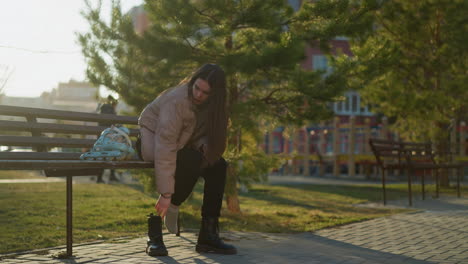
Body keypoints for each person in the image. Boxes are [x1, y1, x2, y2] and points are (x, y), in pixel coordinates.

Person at [138, 63, 236, 256]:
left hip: (181, 144)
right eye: (196, 87)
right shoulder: (177, 101)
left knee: (218, 165)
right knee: (192, 160)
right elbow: (165, 145)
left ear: (215, 95)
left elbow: (197, 132)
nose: (198, 94)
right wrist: (167, 195)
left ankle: (208, 235)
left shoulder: (213, 108)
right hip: (153, 141)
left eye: (205, 92)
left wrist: (204, 145)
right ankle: (171, 207)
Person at [96, 95, 119, 183]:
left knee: (102, 156)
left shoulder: (102, 109)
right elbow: (114, 124)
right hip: (110, 138)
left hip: (101, 139)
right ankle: (111, 175)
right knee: (113, 154)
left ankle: (99, 177)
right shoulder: (111, 110)